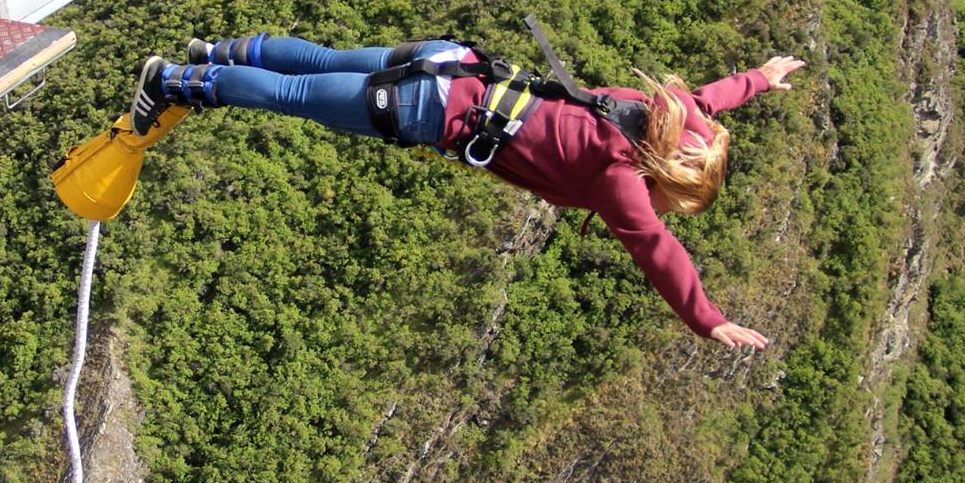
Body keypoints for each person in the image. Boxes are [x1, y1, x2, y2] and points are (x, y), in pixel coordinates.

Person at [130, 35, 807, 350]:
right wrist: (706, 317)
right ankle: (172, 80)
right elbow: (657, 251)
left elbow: (705, 102)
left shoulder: (650, 109)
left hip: (459, 62)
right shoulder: (620, 178)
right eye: (671, 200)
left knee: (329, 61)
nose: (662, 212)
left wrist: (760, 77)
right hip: (431, 106)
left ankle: (217, 49)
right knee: (299, 97)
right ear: (661, 173)